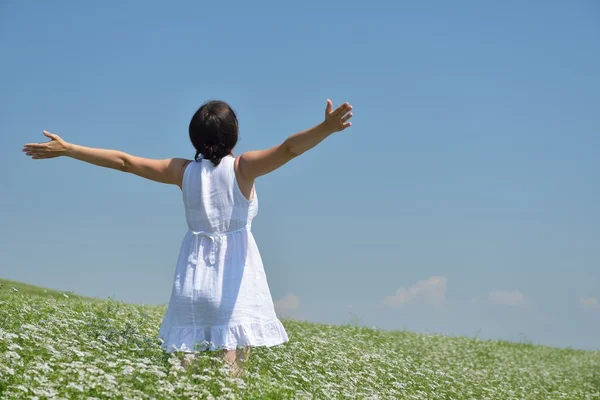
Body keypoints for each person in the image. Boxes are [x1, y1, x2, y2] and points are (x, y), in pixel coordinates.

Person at [22, 98, 354, 376]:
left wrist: (69, 149)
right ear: (233, 134)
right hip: (236, 278)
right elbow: (288, 149)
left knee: (184, 366)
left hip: (194, 275)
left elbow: (124, 162)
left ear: (195, 137)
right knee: (232, 368)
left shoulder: (183, 171)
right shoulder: (242, 168)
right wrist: (325, 128)